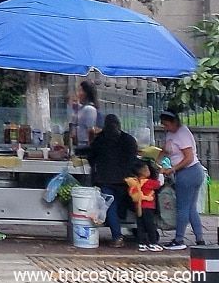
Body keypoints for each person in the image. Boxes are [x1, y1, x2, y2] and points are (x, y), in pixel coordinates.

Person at [86, 113, 138, 248]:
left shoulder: (100, 140)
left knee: (110, 208)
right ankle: (129, 230)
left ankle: (117, 236)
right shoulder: (129, 139)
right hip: (124, 181)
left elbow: (91, 157)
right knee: (121, 206)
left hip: (105, 179)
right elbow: (133, 159)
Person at [159, 111, 206, 250]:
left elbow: (189, 157)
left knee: (183, 208)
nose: (166, 128)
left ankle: (179, 239)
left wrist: (173, 169)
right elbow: (166, 150)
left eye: (167, 125)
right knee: (191, 208)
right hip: (190, 172)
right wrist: (159, 161)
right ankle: (199, 238)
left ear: (174, 122)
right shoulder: (171, 134)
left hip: (188, 172)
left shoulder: (182, 134)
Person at [126, 160, 163, 252]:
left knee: (141, 225)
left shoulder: (134, 182)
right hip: (148, 206)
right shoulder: (148, 182)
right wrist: (161, 173)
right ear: (143, 172)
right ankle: (153, 243)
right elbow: (159, 184)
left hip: (138, 206)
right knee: (150, 225)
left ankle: (141, 244)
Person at [69, 80, 100, 146]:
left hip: (85, 143)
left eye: (80, 91)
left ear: (86, 93)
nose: (78, 94)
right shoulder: (80, 109)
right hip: (78, 143)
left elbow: (91, 130)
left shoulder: (89, 109)